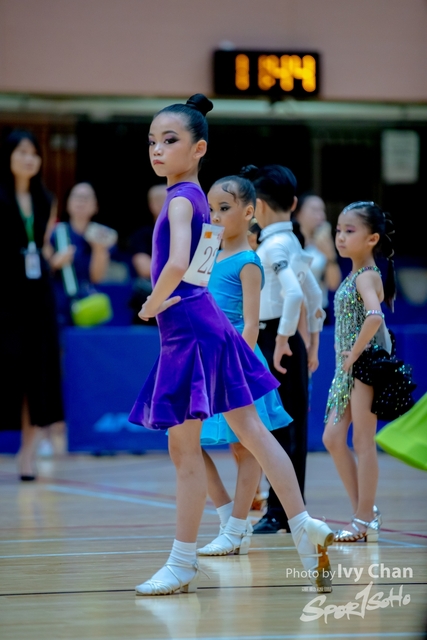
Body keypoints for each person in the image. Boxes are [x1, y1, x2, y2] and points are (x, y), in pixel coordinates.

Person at [128, 93, 335, 596]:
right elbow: (198, 271)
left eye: (169, 140)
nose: (157, 150)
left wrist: (151, 303)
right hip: (205, 325)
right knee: (254, 434)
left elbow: (180, 264)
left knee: (185, 449)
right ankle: (304, 526)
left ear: (198, 148)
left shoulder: (181, 199)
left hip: (190, 333)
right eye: (152, 141)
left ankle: (182, 563)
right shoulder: (197, 199)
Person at [196, 175, 293, 556]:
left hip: (234, 355)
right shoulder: (207, 247)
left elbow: (251, 324)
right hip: (202, 354)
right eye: (212, 208)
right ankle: (228, 519)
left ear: (249, 211)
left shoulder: (249, 261)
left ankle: (237, 527)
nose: (216, 216)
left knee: (244, 447)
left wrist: (236, 368)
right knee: (182, 440)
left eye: (225, 208)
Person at [322, 201, 415, 542]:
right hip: (348, 368)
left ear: (372, 238)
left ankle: (362, 519)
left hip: (363, 368)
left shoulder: (367, 276)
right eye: (338, 230)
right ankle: (364, 512)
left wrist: (355, 354)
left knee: (362, 441)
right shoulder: (354, 274)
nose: (340, 237)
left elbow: (375, 317)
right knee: (333, 438)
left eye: (349, 231)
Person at [242, 165, 325, 535]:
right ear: (293, 203)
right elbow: (314, 295)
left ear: (257, 206)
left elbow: (293, 294)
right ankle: (288, 510)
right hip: (288, 339)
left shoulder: (272, 246)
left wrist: (280, 340)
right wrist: (312, 341)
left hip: (275, 338)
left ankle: (281, 512)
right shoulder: (291, 242)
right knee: (286, 427)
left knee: (278, 427)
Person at [0, 129, 64, 480]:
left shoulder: (45, 199)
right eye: (22, 152)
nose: (29, 159)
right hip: (4, 293)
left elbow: (43, 246)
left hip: (38, 295)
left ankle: (27, 455)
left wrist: (56, 260)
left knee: (37, 374)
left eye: (34, 153)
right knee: (8, 366)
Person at [47, 182, 113, 329]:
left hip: (86, 303)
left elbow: (97, 278)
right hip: (58, 302)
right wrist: (55, 262)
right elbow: (42, 270)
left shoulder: (102, 235)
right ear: (68, 204)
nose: (81, 202)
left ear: (96, 206)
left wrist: (98, 250)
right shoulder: (55, 232)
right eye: (76, 197)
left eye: (86, 198)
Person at [292, 192, 342, 324]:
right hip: (292, 312)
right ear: (298, 213)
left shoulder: (325, 244)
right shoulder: (288, 242)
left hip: (318, 312)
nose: (320, 215)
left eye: (322, 210)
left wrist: (330, 255)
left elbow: (333, 284)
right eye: (314, 210)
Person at [127, 183, 167, 325]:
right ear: (152, 205)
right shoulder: (141, 235)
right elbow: (144, 268)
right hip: (147, 303)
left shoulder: (189, 233)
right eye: (162, 200)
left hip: (180, 303)